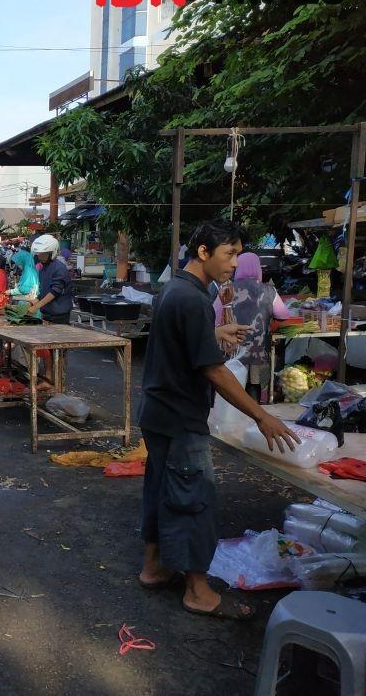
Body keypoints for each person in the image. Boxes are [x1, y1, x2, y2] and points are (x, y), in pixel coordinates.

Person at [137, 219, 298, 620]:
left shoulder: (176, 289)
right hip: (179, 416)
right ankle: (198, 591)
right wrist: (261, 416)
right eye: (228, 254)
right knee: (194, 498)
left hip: (158, 411)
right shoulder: (190, 298)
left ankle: (154, 567)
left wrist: (216, 332)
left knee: (162, 488)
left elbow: (183, 342)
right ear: (204, 253)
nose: (233, 264)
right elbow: (213, 370)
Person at [213, 252, 291, 402]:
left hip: (231, 349)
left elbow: (214, 317)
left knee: (232, 387)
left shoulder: (226, 289)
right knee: (254, 384)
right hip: (258, 351)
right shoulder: (269, 290)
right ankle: (254, 417)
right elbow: (283, 315)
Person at [24, 234, 74, 323]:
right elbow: (45, 290)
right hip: (47, 313)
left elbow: (55, 291)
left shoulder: (59, 268)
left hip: (59, 315)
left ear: (52, 252)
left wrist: (37, 306)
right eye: (38, 254)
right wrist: (34, 301)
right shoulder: (43, 268)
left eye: (43, 254)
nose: (40, 257)